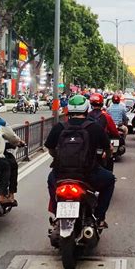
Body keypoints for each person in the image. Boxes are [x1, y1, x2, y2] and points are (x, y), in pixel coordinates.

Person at [45, 95, 115, 228]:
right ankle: (99, 217)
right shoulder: (94, 127)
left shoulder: (59, 127)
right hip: (88, 175)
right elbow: (108, 148)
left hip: (61, 174)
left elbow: (50, 148)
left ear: (69, 110)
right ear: (86, 109)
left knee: (50, 180)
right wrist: (107, 156)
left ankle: (56, 215)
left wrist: (57, 157)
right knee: (110, 180)